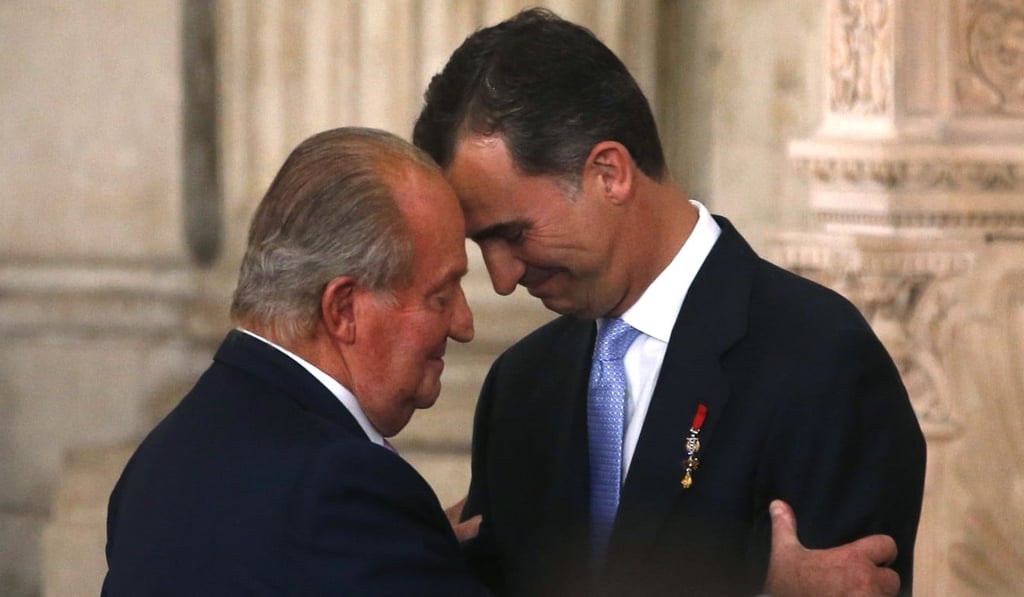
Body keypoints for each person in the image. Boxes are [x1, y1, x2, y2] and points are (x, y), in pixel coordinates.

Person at [413, 8, 926, 597]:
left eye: (513, 234)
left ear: (609, 174)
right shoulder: (522, 386)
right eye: (482, 245)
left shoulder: (820, 361)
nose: (501, 279)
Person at [102, 127, 488, 595]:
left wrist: (410, 547)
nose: (463, 324)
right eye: (441, 295)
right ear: (343, 309)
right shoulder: (339, 487)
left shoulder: (162, 460)